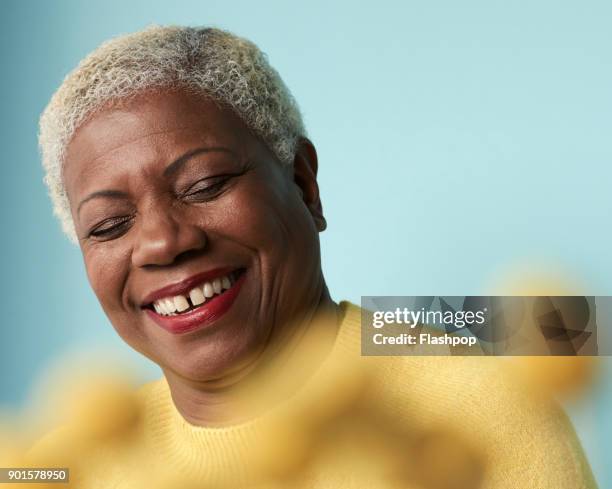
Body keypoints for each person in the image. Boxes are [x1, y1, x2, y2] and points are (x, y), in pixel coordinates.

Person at [35, 25, 597, 488]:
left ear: (305, 185)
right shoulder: (68, 463)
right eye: (109, 225)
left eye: (205, 185)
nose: (162, 242)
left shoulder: (473, 405)